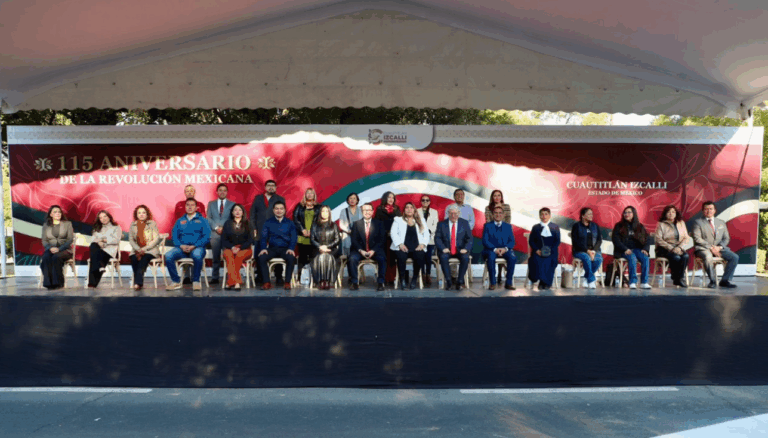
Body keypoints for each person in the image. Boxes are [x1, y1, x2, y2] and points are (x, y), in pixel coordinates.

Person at [166, 198, 211, 291]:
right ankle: (176, 281)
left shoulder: (203, 220)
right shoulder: (179, 221)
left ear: (196, 207)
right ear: (185, 207)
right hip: (182, 248)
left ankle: (196, 281)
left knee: (197, 255)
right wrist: (181, 245)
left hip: (197, 247)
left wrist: (194, 245)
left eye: (192, 205)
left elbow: (206, 237)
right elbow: (174, 236)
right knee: (168, 255)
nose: (190, 207)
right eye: (187, 205)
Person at [691, 201, 738, 288]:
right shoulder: (698, 222)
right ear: (703, 211)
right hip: (703, 249)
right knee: (708, 256)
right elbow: (697, 238)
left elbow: (726, 238)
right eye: (706, 209)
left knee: (734, 257)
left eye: (711, 209)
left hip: (719, 249)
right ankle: (712, 281)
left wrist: (719, 247)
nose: (709, 211)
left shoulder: (721, 222)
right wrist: (711, 247)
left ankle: (724, 280)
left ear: (715, 210)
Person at [250, 179, 285, 284]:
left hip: (275, 231)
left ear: (275, 188)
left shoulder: (280, 199)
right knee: (259, 255)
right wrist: (254, 229)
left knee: (278, 253)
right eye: (269, 185)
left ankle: (279, 276)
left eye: (273, 185)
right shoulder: (258, 199)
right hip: (260, 232)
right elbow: (252, 216)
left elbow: (282, 215)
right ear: (265, 188)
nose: (271, 187)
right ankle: (260, 275)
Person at [258, 201, 298, 290]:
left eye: (281, 209)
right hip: (272, 248)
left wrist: (291, 248)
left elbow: (294, 237)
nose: (279, 211)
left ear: (284, 210)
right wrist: (263, 248)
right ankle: (267, 282)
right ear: (273, 210)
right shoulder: (268, 222)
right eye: (276, 209)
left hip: (285, 249)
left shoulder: (290, 223)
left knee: (291, 257)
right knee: (262, 257)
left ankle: (287, 282)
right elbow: (263, 236)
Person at [391, 202, 430, 290]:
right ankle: (402, 280)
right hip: (402, 247)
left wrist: (423, 244)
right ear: (404, 210)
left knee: (420, 255)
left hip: (416, 247)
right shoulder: (398, 220)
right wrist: (400, 244)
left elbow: (426, 234)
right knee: (401, 256)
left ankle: (414, 279)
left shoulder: (421, 220)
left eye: (411, 207)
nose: (409, 209)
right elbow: (393, 233)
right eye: (407, 207)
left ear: (414, 210)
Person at [348, 203, 387, 291]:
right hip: (360, 250)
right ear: (362, 212)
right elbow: (354, 240)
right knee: (352, 259)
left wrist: (373, 250)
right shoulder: (356, 224)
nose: (367, 212)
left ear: (372, 211)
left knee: (382, 258)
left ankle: (380, 282)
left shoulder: (379, 224)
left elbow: (382, 239)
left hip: (374, 250)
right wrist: (361, 250)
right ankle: (354, 282)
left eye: (369, 210)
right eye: (365, 210)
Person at [611, 206, 651, 289]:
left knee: (645, 257)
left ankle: (644, 282)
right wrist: (625, 249)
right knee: (632, 257)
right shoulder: (619, 226)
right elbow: (616, 240)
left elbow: (647, 239)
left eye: (629, 212)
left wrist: (645, 249)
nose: (626, 214)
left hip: (637, 249)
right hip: (623, 250)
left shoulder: (639, 226)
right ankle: (632, 282)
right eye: (625, 212)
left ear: (634, 214)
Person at [435, 204, 473, 291]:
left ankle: (459, 281)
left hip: (461, 250)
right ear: (448, 214)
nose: (453, 216)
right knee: (443, 257)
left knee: (465, 258)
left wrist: (466, 249)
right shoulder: (441, 224)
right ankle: (448, 281)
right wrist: (443, 248)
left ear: (459, 213)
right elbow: (437, 238)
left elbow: (470, 238)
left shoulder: (464, 223)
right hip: (447, 250)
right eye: (451, 213)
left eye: (455, 213)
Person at [654, 205, 690, 288]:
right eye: (669, 212)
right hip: (664, 248)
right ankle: (676, 277)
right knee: (676, 258)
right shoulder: (661, 224)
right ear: (665, 214)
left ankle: (679, 278)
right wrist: (672, 248)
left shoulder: (681, 223)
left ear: (676, 213)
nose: (671, 214)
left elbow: (686, 237)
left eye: (673, 212)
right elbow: (658, 239)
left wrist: (679, 247)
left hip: (678, 247)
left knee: (685, 256)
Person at [482, 205, 517, 290]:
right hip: (491, 250)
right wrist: (495, 249)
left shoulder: (508, 226)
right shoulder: (487, 226)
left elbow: (512, 241)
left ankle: (508, 283)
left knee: (512, 257)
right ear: (493, 215)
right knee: (491, 257)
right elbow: (485, 241)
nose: (498, 215)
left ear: (503, 215)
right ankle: (492, 283)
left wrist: (505, 249)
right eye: (496, 213)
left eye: (500, 213)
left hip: (505, 250)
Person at [128, 205, 162, 291]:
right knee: (133, 258)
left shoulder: (152, 223)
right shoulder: (133, 224)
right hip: (137, 250)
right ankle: (138, 282)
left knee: (144, 260)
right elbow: (131, 239)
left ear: (147, 214)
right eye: (139, 213)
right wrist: (138, 249)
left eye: (143, 212)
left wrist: (144, 249)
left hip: (150, 250)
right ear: (136, 214)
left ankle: (138, 283)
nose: (141, 214)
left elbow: (156, 239)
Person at [40, 205, 74, 290]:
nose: (58, 213)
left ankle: (58, 283)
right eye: (55, 212)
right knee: (46, 258)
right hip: (50, 248)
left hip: (65, 249)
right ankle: (48, 284)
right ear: (51, 214)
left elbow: (70, 239)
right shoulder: (46, 225)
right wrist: (49, 248)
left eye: (59, 212)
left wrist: (59, 249)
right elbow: (44, 240)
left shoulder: (67, 224)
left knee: (56, 257)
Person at [206, 183, 235, 285]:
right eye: (220, 190)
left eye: (224, 190)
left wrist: (225, 228)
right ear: (217, 192)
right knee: (216, 257)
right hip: (215, 234)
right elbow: (208, 218)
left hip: (227, 235)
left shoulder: (232, 204)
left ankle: (230, 277)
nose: (222, 192)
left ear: (227, 192)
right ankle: (215, 277)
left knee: (229, 256)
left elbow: (233, 218)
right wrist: (217, 228)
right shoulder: (211, 203)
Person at [221, 204, 253, 290]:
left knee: (238, 256)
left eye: (240, 210)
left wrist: (240, 248)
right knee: (228, 255)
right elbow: (224, 240)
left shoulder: (248, 223)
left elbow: (250, 239)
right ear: (232, 212)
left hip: (245, 249)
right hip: (230, 248)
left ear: (243, 213)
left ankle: (230, 282)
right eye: (235, 210)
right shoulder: (227, 223)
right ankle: (236, 282)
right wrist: (232, 247)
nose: (237, 212)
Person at [528, 207, 561, 290]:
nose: (544, 216)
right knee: (536, 260)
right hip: (538, 252)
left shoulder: (555, 227)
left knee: (549, 260)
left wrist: (549, 251)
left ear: (549, 215)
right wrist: (537, 250)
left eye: (546, 214)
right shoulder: (535, 227)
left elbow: (557, 241)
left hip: (551, 252)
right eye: (542, 214)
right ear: (539, 216)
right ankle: (541, 281)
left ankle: (545, 283)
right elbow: (531, 241)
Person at [87, 210, 122, 288]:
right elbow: (93, 239)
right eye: (101, 218)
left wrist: (103, 240)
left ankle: (92, 284)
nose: (103, 219)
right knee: (93, 245)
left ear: (109, 217)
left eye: (105, 216)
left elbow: (116, 240)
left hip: (110, 251)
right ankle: (100, 267)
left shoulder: (116, 227)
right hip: (99, 250)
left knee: (95, 258)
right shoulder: (97, 228)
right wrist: (98, 242)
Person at [571, 207, 603, 289]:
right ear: (583, 216)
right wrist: (587, 251)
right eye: (589, 214)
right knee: (586, 257)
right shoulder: (576, 226)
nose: (591, 216)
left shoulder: (595, 226)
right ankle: (591, 280)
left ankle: (586, 277)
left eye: (591, 214)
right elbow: (576, 242)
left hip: (594, 250)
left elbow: (599, 240)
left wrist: (594, 251)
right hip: (580, 250)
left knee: (599, 259)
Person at [311, 205, 341, 290]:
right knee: (321, 256)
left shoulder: (334, 225)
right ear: (320, 213)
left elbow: (337, 239)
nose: (324, 213)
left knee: (328, 256)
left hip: (331, 249)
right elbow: (312, 239)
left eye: (326, 211)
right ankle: (321, 281)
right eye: (322, 211)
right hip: (318, 249)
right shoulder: (315, 225)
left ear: (329, 213)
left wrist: (327, 247)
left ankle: (328, 281)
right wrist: (320, 247)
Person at [294, 188, 321, 281]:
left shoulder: (318, 207)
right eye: (308, 193)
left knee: (314, 258)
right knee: (302, 258)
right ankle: (299, 279)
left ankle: (315, 279)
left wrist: (312, 232)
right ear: (305, 195)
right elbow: (296, 219)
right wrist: (303, 230)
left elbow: (320, 220)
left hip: (314, 237)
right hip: (302, 237)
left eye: (311, 193)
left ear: (314, 195)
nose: (309, 195)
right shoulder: (299, 206)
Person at [374, 191, 401, 287]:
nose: (391, 199)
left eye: (393, 198)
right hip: (383, 237)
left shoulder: (397, 209)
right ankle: (384, 278)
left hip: (394, 238)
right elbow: (376, 223)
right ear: (385, 198)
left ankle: (392, 278)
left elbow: (400, 223)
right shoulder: (379, 209)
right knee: (384, 258)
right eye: (389, 197)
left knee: (392, 258)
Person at [416, 194, 438, 286]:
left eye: (427, 200)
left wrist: (428, 231)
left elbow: (435, 224)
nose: (425, 202)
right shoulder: (416, 211)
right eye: (423, 200)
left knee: (428, 256)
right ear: (421, 202)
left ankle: (428, 274)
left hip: (430, 238)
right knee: (421, 256)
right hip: (420, 238)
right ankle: (422, 273)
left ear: (429, 202)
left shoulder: (434, 212)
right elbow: (415, 223)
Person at [337, 192, 362, 258]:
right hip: (347, 235)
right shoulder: (343, 211)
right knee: (347, 255)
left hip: (358, 235)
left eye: (354, 198)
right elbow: (341, 224)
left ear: (357, 200)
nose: (352, 200)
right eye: (350, 198)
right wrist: (348, 231)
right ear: (348, 200)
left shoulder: (361, 210)